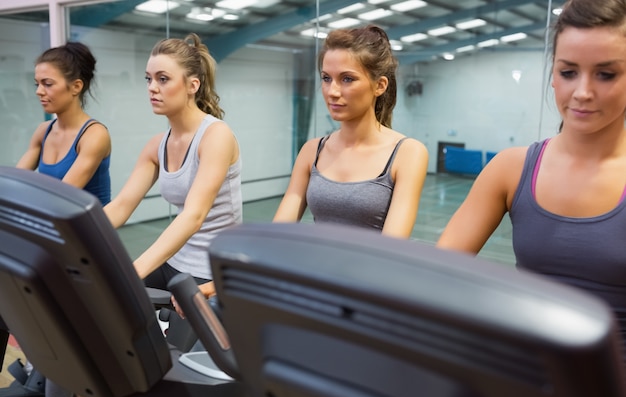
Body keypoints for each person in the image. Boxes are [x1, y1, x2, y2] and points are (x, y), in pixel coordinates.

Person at [437, 0, 626, 357]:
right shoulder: (511, 169)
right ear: (553, 75)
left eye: (606, 74)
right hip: (524, 382)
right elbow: (437, 272)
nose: (583, 92)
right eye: (569, 72)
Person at [103, 33, 242, 315]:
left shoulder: (216, 136)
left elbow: (193, 216)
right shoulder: (157, 145)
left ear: (193, 85)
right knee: (105, 306)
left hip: (209, 270)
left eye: (163, 79)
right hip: (174, 262)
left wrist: (136, 269)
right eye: (148, 79)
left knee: (176, 356)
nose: (152, 88)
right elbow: (121, 206)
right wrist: (64, 237)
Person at [16, 42, 111, 397]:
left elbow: (57, 200)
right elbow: (15, 184)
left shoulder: (94, 135)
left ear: (76, 86)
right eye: (36, 83)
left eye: (47, 83)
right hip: (51, 249)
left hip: (88, 254)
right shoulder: (43, 132)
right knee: (58, 347)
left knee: (73, 350)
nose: (39, 91)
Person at [273, 25, 428, 238]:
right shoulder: (312, 151)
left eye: (347, 79)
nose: (332, 91)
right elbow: (279, 231)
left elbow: (392, 247)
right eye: (326, 78)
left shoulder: (407, 153)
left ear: (380, 86)